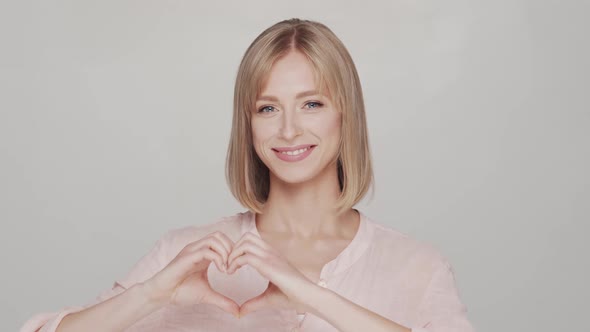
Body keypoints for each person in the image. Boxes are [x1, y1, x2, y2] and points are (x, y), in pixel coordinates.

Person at [21, 18, 474, 332]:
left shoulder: (417, 267)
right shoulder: (185, 256)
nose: (289, 128)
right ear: (248, 124)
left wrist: (311, 296)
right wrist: (152, 295)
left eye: (312, 104)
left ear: (345, 115)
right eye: (267, 108)